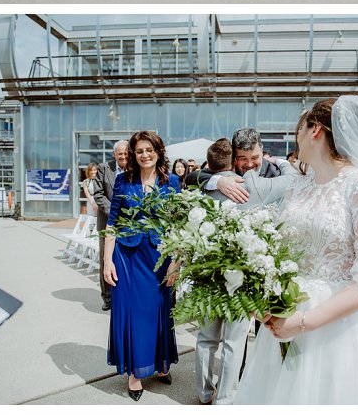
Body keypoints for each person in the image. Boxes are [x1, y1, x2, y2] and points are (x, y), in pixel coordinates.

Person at [234, 97, 358, 404]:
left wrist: (302, 322)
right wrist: (262, 298)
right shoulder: (299, 186)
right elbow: (276, 252)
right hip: (284, 316)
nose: (295, 136)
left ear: (315, 131)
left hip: (336, 328)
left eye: (300, 128)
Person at [103, 131, 179, 400]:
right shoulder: (124, 181)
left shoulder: (172, 183)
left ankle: (160, 363)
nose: (145, 155)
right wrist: (106, 261)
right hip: (127, 256)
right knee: (133, 314)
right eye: (139, 151)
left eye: (149, 150)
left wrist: (176, 263)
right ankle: (135, 373)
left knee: (158, 310)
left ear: (158, 151)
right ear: (133, 155)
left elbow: (178, 226)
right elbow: (112, 222)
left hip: (159, 257)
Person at [193, 137, 251, 406]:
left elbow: (192, 177)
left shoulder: (197, 188)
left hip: (205, 272)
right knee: (233, 343)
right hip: (239, 276)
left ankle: (204, 393)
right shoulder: (250, 186)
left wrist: (214, 180)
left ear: (209, 162)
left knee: (206, 339)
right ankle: (226, 399)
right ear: (234, 161)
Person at [91, 141, 128, 312]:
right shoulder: (104, 168)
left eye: (126, 153)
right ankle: (108, 298)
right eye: (120, 153)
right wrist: (114, 212)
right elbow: (98, 194)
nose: (123, 156)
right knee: (107, 260)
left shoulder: (135, 169)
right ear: (114, 154)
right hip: (107, 222)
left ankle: (123, 295)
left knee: (125, 260)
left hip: (129, 224)